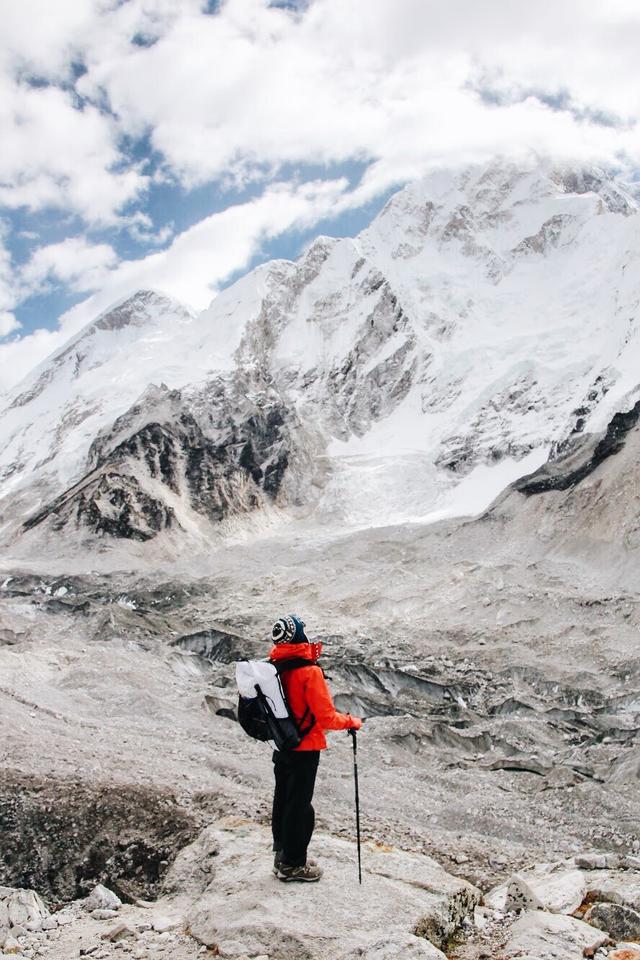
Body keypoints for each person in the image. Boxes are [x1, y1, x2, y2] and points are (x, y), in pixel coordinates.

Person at [269, 613, 362, 882]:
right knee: (300, 806)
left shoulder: (276, 667)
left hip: (282, 744)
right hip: (305, 748)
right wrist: (351, 722)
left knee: (283, 800)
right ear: (299, 636)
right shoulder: (309, 672)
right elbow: (326, 718)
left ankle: (281, 856)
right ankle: (294, 865)